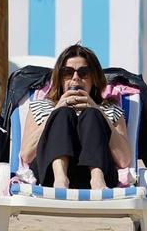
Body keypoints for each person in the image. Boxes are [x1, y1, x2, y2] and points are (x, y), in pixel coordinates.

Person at [18, 44, 131, 192]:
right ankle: (61, 178)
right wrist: (56, 111)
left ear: (94, 78)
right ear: (60, 78)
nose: (75, 78)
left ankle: (97, 178)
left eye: (84, 73)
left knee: (91, 114)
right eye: (67, 72)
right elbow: (26, 155)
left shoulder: (109, 109)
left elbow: (124, 160)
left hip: (101, 179)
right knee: (63, 113)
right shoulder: (40, 107)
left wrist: (98, 111)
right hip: (51, 177)